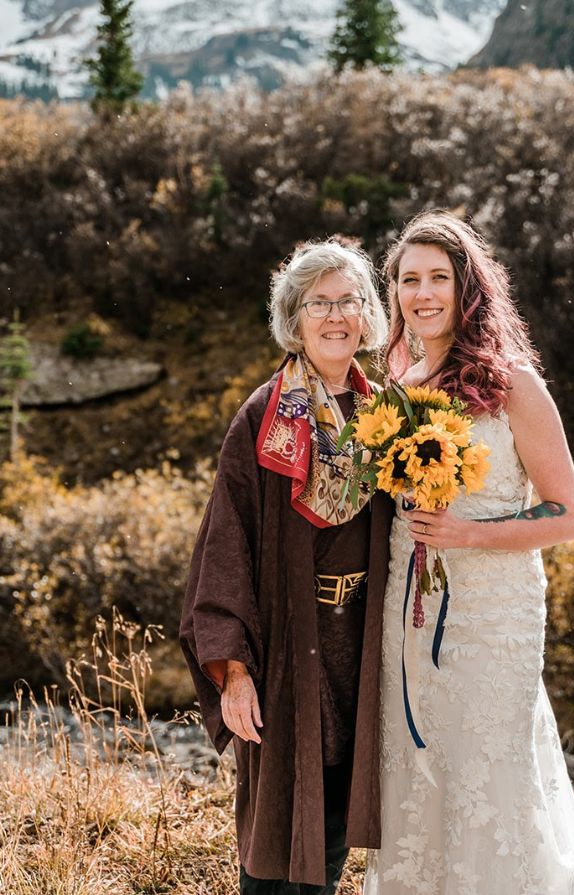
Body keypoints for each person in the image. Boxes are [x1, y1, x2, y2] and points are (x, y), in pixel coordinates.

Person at [363, 210, 574, 894]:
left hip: (495, 609)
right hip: (409, 600)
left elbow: (569, 515)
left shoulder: (512, 383)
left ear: (468, 288)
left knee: (486, 765)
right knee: (415, 757)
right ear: (395, 292)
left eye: (439, 277)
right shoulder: (396, 388)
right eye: (409, 279)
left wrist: (471, 534)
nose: (423, 293)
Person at [179, 239, 394, 893]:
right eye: (319, 302)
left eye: (349, 301)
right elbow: (225, 544)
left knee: (332, 819)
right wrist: (233, 669)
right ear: (294, 317)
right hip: (286, 643)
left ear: (367, 314)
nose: (336, 316)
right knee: (275, 829)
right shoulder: (265, 415)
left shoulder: (386, 413)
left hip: (362, 644)